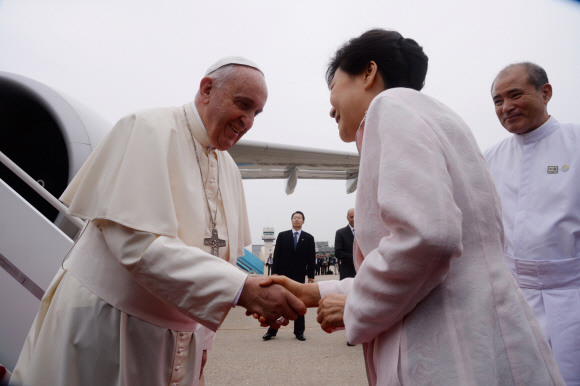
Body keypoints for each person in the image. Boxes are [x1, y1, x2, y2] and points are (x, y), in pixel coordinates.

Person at [260, 29, 564, 385]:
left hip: (446, 352)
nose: (331, 107)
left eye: (333, 88)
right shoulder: (441, 117)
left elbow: (427, 237)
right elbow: (434, 258)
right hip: (483, 336)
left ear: (369, 73)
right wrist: (313, 292)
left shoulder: (389, 108)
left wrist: (357, 307)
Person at [9, 57, 306, 386]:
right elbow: (139, 245)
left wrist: (204, 340)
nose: (248, 121)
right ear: (207, 90)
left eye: (256, 113)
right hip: (105, 330)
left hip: (178, 341)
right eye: (243, 105)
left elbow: (222, 257)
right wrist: (241, 290)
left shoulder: (230, 170)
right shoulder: (145, 128)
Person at [484, 62, 580, 386]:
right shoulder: (489, 158)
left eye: (515, 95)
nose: (506, 107)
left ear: (546, 92)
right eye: (498, 100)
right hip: (514, 300)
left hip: (572, 297)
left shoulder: (576, 143)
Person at [262, 211, 315, 342]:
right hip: (283, 275)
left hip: (299, 275)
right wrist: (274, 273)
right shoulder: (282, 235)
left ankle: (299, 332)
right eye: (294, 218)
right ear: (291, 220)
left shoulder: (308, 238)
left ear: (303, 221)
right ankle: (272, 330)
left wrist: (311, 275)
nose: (297, 220)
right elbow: (277, 256)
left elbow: (311, 258)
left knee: (299, 302)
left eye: (299, 218)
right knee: (278, 302)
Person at [334, 208, 356, 280]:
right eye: (351, 217)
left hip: (364, 272)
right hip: (347, 273)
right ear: (347, 218)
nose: (353, 219)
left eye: (355, 216)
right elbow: (338, 252)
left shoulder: (365, 232)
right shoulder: (340, 233)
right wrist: (356, 259)